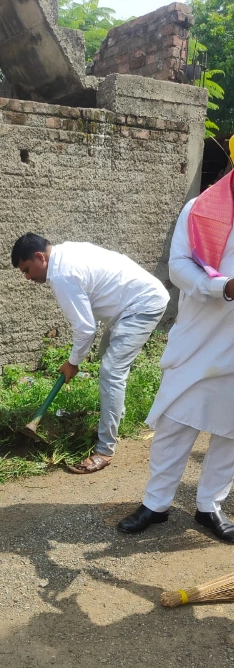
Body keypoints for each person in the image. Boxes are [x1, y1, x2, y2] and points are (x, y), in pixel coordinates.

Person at [118, 159, 234, 543]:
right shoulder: (200, 208)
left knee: (231, 432)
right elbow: (178, 267)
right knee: (174, 423)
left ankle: (209, 506)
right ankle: (157, 503)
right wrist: (223, 288)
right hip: (199, 335)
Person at [11, 233, 169, 473]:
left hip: (142, 304)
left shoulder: (62, 274)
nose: (28, 277)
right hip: (130, 305)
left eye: (27, 269)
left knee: (111, 371)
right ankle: (114, 421)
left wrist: (73, 363)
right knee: (108, 359)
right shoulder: (65, 254)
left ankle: (105, 449)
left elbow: (86, 329)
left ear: (40, 257)